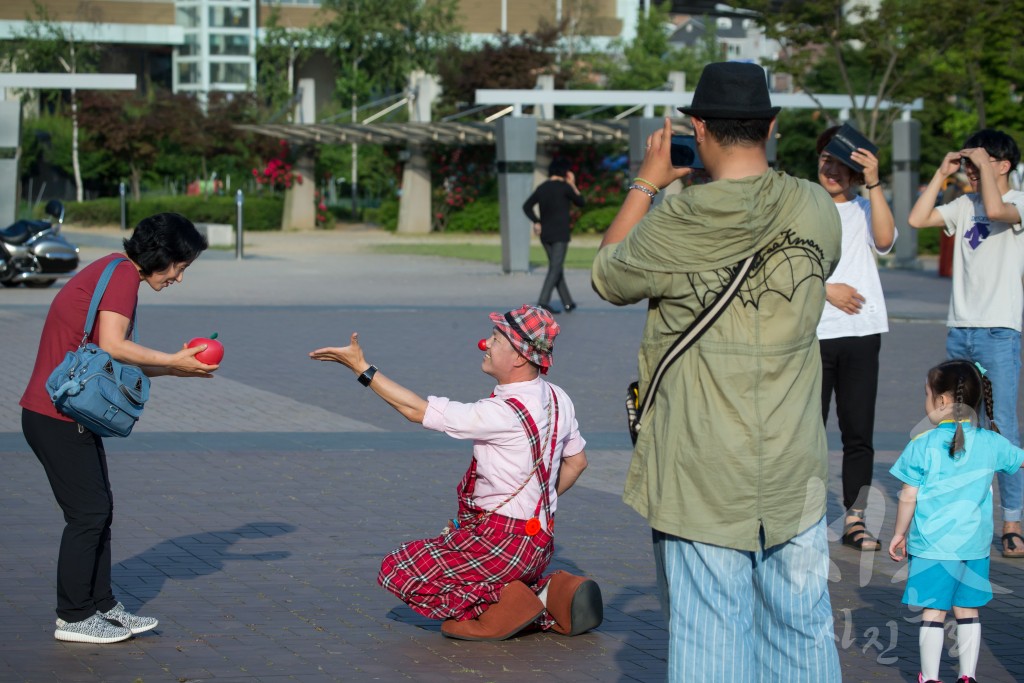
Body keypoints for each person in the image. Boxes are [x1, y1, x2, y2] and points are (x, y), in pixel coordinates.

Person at [591, 62, 842, 681]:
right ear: (772, 126)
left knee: (710, 634)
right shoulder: (813, 205)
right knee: (804, 628)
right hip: (793, 463)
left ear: (696, 128)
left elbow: (607, 273)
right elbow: (825, 261)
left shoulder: (677, 221)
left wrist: (647, 184)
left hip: (701, 465)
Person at [309, 304, 601, 641]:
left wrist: (361, 368)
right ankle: (552, 592)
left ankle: (513, 606)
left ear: (519, 356)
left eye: (495, 339)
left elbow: (415, 410)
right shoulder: (558, 397)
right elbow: (578, 462)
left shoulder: (500, 412)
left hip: (500, 543)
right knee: (464, 557)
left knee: (398, 570)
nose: (485, 344)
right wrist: (539, 499)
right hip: (539, 543)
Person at [20, 213, 217, 644]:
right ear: (160, 256)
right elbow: (113, 345)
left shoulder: (112, 269)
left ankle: (103, 606)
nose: (178, 279)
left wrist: (175, 369)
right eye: (179, 268)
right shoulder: (124, 277)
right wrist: (170, 358)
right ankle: (73, 617)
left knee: (99, 510)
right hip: (55, 416)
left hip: (65, 412)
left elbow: (109, 356)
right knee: (88, 514)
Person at [908, 129, 1024, 558]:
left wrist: (977, 160)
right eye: (969, 164)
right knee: (956, 421)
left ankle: (1012, 519)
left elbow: (996, 207)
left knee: (1002, 426)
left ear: (1004, 165)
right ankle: (959, 509)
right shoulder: (963, 205)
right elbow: (918, 220)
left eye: (979, 163)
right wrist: (942, 172)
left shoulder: (1018, 202)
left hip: (999, 330)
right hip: (961, 327)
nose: (971, 171)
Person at [889, 359, 1024, 683]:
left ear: (943, 401)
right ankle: (967, 676)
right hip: (973, 546)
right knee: (968, 611)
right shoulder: (991, 442)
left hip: (932, 545)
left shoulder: (922, 444)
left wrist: (898, 533)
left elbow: (908, 496)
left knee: (933, 613)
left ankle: (931, 677)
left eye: (927, 394)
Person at [815, 125, 897, 552]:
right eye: (826, 160)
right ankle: (803, 516)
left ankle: (855, 517)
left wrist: (875, 181)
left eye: (843, 165)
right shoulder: (801, 206)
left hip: (862, 331)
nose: (833, 170)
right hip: (813, 331)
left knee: (858, 431)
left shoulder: (866, 206)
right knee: (807, 429)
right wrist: (826, 289)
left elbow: (884, 241)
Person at [522, 159, 585, 314]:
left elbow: (526, 206)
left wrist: (536, 221)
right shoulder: (565, 188)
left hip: (545, 234)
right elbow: (581, 202)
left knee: (556, 268)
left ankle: (567, 302)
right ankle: (543, 302)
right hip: (560, 234)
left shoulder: (542, 188)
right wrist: (573, 184)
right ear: (565, 172)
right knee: (555, 267)